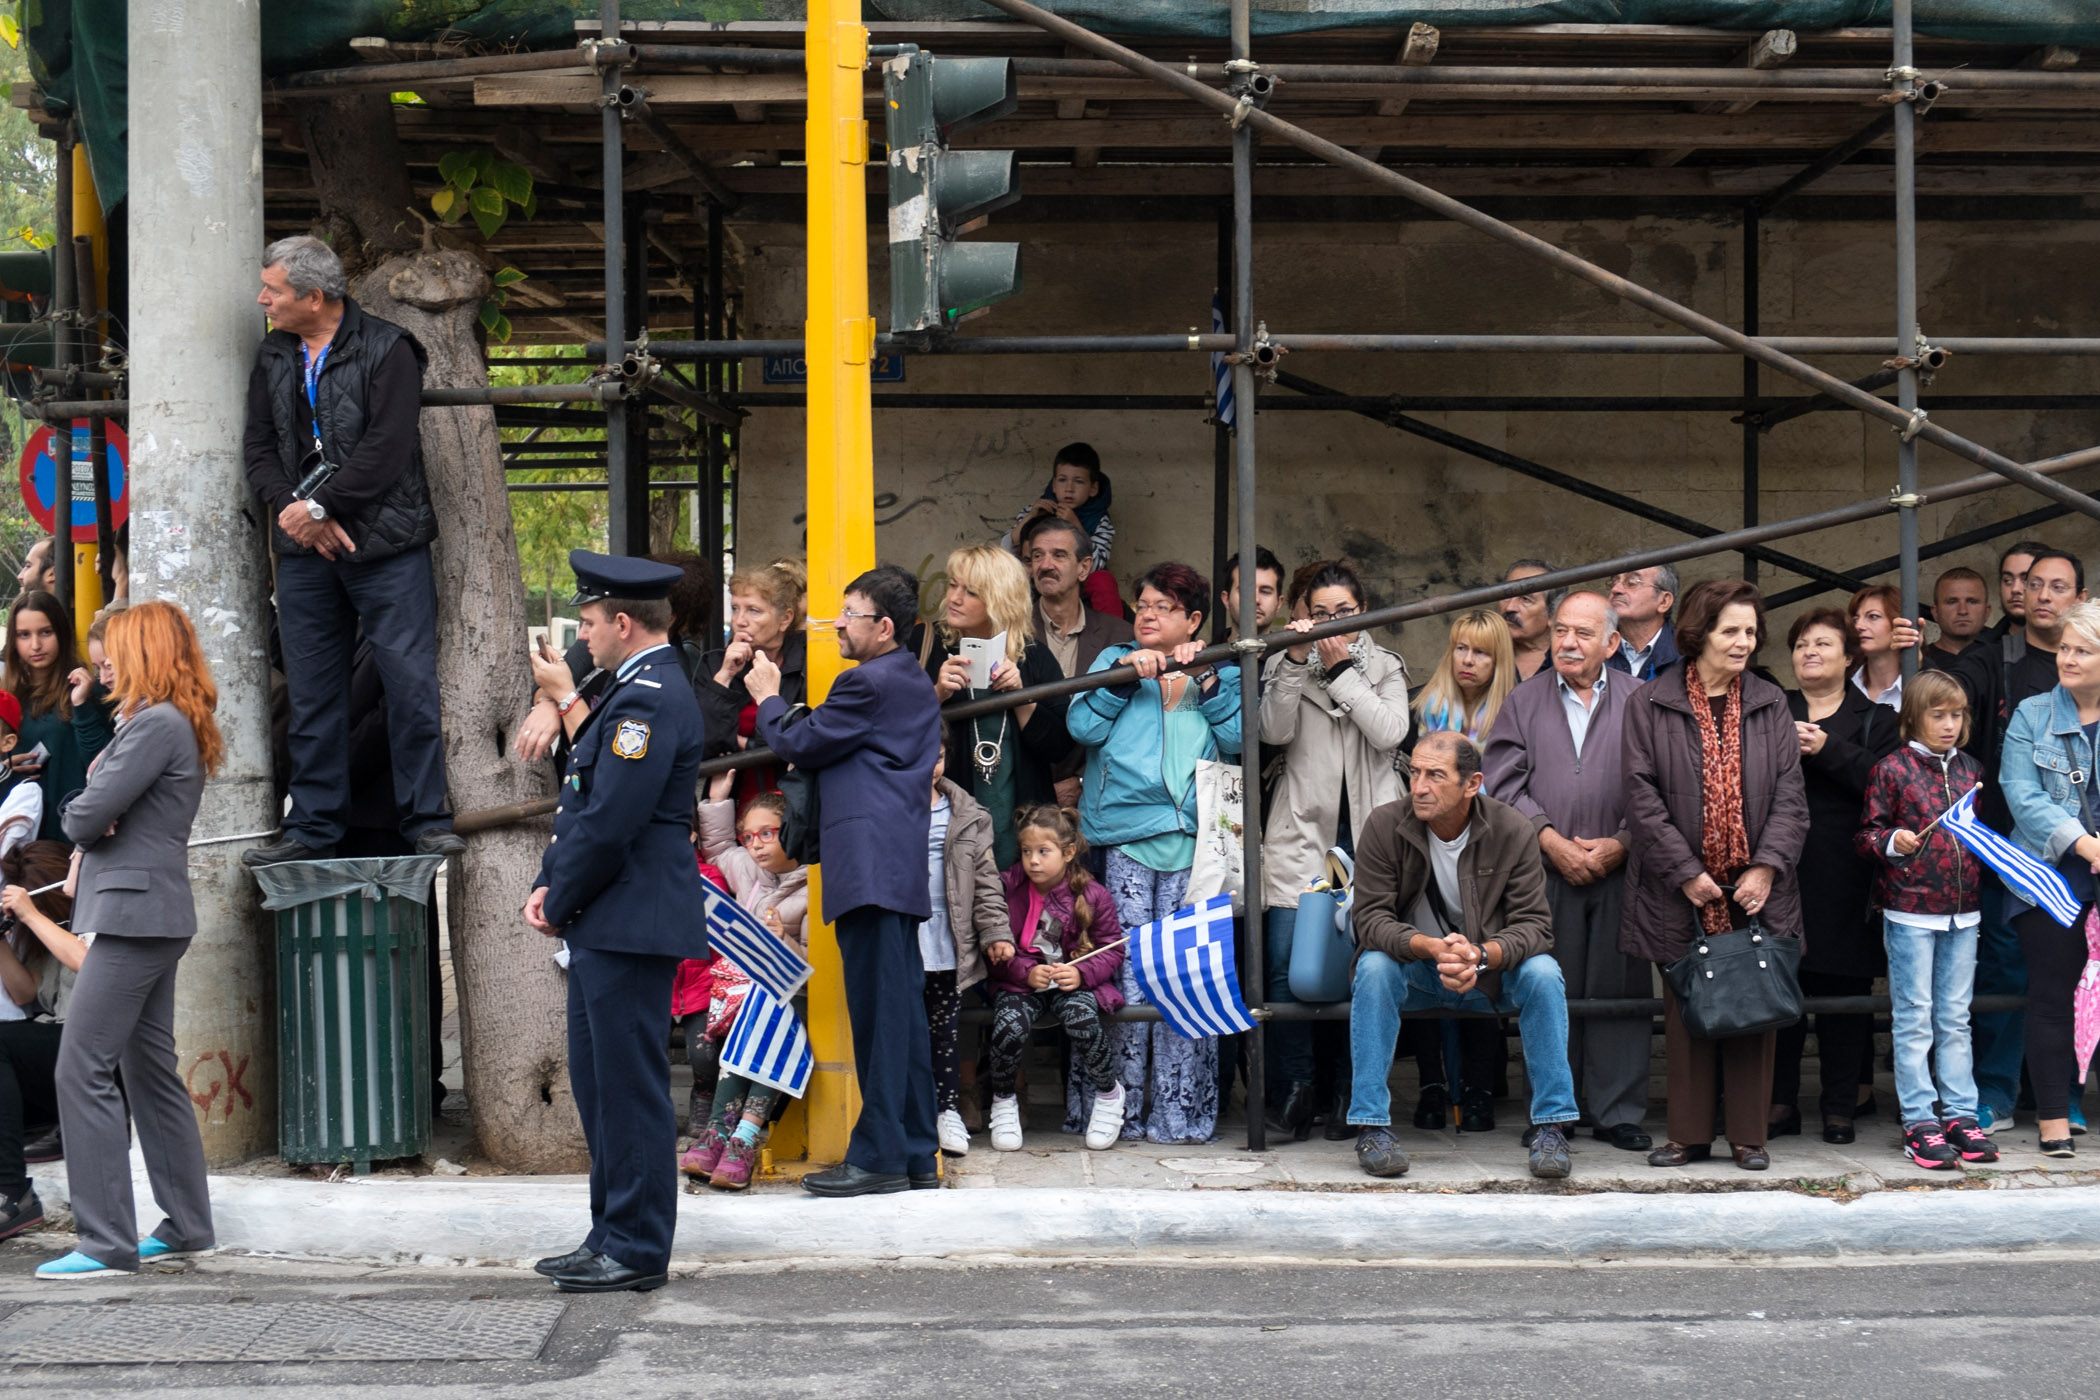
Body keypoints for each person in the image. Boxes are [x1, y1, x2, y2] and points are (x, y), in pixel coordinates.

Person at [240, 234, 462, 867]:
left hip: (388, 549)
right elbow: (258, 446)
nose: (262, 300)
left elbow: (387, 449)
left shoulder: (389, 348)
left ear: (314, 297)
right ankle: (312, 826)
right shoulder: (274, 354)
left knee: (409, 686)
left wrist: (320, 508)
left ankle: (426, 819)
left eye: (273, 291)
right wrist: (296, 512)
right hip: (305, 552)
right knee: (313, 694)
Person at [524, 553, 709, 1292]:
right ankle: (609, 1232)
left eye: (591, 623)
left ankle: (636, 1247)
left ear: (624, 623)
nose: (585, 636)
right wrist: (550, 882)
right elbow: (585, 799)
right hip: (609, 915)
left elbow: (611, 821)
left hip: (631, 917)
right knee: (601, 1087)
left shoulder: (649, 698)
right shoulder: (629, 689)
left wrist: (558, 896)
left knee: (629, 1090)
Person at [38, 601, 221, 1280]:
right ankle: (186, 1225)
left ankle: (104, 1241)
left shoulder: (153, 726)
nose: (104, 663)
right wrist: (96, 812)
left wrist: (87, 812)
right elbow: (98, 814)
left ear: (146, 651)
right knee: (147, 1072)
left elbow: (84, 818)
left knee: (80, 1066)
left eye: (115, 649)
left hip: (133, 917)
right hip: (147, 914)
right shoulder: (159, 722)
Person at [750, 564, 944, 1196]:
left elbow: (802, 742)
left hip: (869, 866)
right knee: (899, 1015)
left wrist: (769, 698)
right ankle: (914, 1152)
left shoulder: (865, 682)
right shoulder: (908, 677)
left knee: (881, 1017)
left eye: (850, 614)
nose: (836, 623)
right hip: (891, 865)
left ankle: (880, 1156)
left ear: (883, 627)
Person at [1621, 578, 1808, 1172]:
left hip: (1754, 890)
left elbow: (1790, 798)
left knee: (1756, 1005)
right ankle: (1688, 1136)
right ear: (1699, 632)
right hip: (1679, 890)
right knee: (1687, 1012)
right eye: (1731, 630)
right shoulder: (1649, 703)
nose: (1743, 642)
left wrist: (1765, 868)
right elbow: (1640, 797)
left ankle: (1749, 1138)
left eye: (1750, 631)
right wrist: (1685, 873)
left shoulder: (1770, 701)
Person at [1346, 731, 1578, 1179]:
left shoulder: (1512, 828)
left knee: (1543, 973)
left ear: (1472, 784)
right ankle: (1370, 1125)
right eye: (1414, 773)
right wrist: (1430, 947)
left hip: (1488, 974)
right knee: (1373, 967)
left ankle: (1552, 1125)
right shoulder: (1384, 824)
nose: (1419, 787)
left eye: (1435, 775)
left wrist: (1481, 955)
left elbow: (1535, 926)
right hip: (1419, 970)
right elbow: (1369, 920)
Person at [1066, 562, 1242, 1145]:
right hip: (1124, 838)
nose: (1146, 614)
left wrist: (1206, 678)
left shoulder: (1218, 665)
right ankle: (1114, 1110)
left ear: (1193, 620)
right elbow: (1081, 728)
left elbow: (1241, 738)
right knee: (1124, 976)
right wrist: (1121, 680)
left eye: (1163, 607)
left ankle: (1177, 1115)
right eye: (1142, 604)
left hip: (1197, 844)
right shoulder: (1113, 659)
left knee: (1185, 976)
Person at [1483, 590, 1654, 1153]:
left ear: (1611, 642)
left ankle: (1616, 1111)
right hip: (1544, 871)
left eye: (1583, 633)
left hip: (1622, 868)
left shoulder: (1641, 698)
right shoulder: (1523, 700)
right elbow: (1503, 784)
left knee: (1618, 987)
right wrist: (1550, 840)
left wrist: (1622, 843)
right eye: (1561, 630)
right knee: (1545, 988)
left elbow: (1659, 783)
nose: (1569, 642)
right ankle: (1551, 1111)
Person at [1259, 560, 1409, 1140]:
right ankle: (1295, 1088)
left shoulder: (1386, 665)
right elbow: (1272, 731)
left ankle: (1352, 1090)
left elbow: (1390, 731)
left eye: (1343, 612)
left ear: (1361, 611)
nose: (1332, 622)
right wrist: (1296, 660)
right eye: (1320, 614)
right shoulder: (1284, 661)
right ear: (1304, 616)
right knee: (1283, 965)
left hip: (1371, 833)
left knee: (1364, 967)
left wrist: (1341, 667)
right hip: (1301, 829)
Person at [1949, 546, 2086, 1128]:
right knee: (2004, 970)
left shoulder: (2089, 670)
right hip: (2008, 852)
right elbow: (1944, 699)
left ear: (2080, 599)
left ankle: (2064, 1095)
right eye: (2034, 584)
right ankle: (1997, 1092)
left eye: (2058, 586)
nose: (2043, 595)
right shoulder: (1993, 660)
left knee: (2077, 977)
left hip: (2084, 858)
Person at [1857, 670, 1994, 1169]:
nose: (1949, 724)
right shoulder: (1891, 770)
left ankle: (1960, 1114)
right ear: (1914, 717)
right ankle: (1919, 1119)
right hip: (1910, 911)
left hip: (1964, 911)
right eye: (1938, 715)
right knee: (1915, 1018)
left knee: (1955, 1018)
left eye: (1956, 715)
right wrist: (1892, 841)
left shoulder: (1971, 770)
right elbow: (1866, 836)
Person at [1774, 608, 1900, 1144]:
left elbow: (1891, 783)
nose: (1810, 652)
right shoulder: (1772, 709)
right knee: (1778, 989)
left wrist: (1829, 749)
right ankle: (1778, 1102)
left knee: (1845, 995)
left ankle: (1841, 1106)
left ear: (1849, 657)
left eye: (1823, 643)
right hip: (1781, 871)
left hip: (1848, 875)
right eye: (1802, 643)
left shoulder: (1877, 719)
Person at [1999, 597, 2100, 1159]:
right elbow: (2022, 796)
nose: (2068, 659)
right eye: (2065, 648)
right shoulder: (2032, 713)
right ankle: (2053, 1117)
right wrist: (2086, 845)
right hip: (2048, 873)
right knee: (2052, 995)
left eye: (2083, 650)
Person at [680, 775, 808, 1191]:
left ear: (792, 830)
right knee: (752, 1018)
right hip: (748, 997)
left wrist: (785, 940)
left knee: (764, 1021)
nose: (756, 845)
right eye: (748, 837)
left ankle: (744, 1136)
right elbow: (719, 848)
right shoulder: (749, 872)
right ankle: (720, 1133)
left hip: (797, 1001)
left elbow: (817, 968)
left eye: (767, 833)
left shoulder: (815, 883)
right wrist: (717, 801)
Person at [986, 804, 1127, 1151]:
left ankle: (1109, 1095)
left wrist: (1079, 973)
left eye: (1043, 852)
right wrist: (1025, 972)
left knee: (1081, 1019)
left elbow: (1112, 949)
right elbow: (992, 950)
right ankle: (1003, 1101)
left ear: (1068, 852)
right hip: (1021, 984)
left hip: (1071, 984)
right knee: (1008, 1026)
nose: (1033, 861)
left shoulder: (1093, 895)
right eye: (1026, 851)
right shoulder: (1006, 888)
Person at [924, 545, 1073, 869]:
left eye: (970, 592)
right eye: (952, 585)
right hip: (946, 829)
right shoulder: (927, 647)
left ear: (999, 600)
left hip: (1023, 835)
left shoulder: (1033, 656)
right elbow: (896, 729)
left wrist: (1021, 696)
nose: (954, 598)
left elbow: (1061, 747)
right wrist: (936, 694)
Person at [519, 552, 717, 770]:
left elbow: (606, 761)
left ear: (668, 617)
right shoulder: (598, 642)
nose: (583, 634)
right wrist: (548, 702)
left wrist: (565, 698)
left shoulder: (659, 682)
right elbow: (549, 681)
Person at [923, 745, 1008, 1157]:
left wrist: (995, 932)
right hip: (902, 938)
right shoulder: (887, 804)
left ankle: (947, 1111)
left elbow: (986, 880)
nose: (931, 765)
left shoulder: (969, 814)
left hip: (948, 939)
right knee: (904, 1030)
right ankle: (915, 1113)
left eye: (939, 755)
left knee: (945, 1032)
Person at [1020, 516, 1132, 808]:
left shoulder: (1119, 635)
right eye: (1037, 556)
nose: (1045, 565)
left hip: (1096, 794)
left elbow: (1129, 725)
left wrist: (1082, 779)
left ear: (1084, 568)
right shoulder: (1010, 634)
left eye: (1059, 555)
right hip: (1024, 793)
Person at [0, 841, 79, 1240]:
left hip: (97, 1050)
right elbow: (25, 994)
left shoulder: (93, 919)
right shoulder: (42, 931)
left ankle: (12, 1193)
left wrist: (32, 915)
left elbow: (88, 965)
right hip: (56, 1048)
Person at [694, 558, 809, 807]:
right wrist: (724, 677)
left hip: (794, 801)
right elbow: (702, 744)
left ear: (785, 619)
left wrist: (743, 743)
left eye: (754, 610)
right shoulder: (714, 664)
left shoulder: (808, 664)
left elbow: (802, 738)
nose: (740, 620)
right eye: (736, 608)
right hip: (731, 800)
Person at [4, 592, 108, 844]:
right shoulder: (6, 697)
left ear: (61, 632)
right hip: (19, 837)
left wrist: (81, 707)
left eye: (46, 632)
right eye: (24, 635)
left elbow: (105, 765)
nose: (35, 645)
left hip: (75, 834)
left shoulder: (89, 690)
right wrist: (4, 770)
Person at [1000, 443, 1121, 616]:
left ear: (1093, 488)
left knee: (1103, 581)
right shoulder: (1038, 509)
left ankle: (1112, 632)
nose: (1069, 489)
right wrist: (1030, 517)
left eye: (1078, 481)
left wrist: (1076, 526)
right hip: (1039, 576)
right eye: (1062, 480)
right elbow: (1006, 550)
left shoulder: (1099, 519)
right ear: (1054, 485)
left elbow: (1096, 564)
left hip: (1079, 582)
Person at [1411, 608, 1517, 746]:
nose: (1467, 660)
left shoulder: (1514, 712)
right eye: (1461, 648)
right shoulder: (1433, 704)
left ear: (1498, 661)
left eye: (1480, 652)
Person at [1847, 585, 1921, 709]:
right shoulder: (1843, 687)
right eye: (1855, 619)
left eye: (1873, 616)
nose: (1858, 626)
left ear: (1900, 623)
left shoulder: (1924, 689)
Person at [1607, 565, 1681, 683]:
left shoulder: (1686, 655)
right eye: (1615, 581)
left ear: (1664, 601)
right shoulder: (1596, 648)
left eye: (1632, 582)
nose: (1616, 589)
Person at [1500, 560, 1557, 682]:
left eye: (1526, 599)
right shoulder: (1482, 655)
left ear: (1552, 614)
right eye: (1506, 595)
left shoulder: (1569, 662)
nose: (1510, 607)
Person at [1982, 540, 2046, 644]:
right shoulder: (1982, 650)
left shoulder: (2072, 644)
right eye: (2007, 580)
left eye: (2026, 580)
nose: (2015, 589)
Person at [1925, 566, 1990, 665]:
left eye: (1972, 602)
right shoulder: (1918, 662)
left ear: (1986, 612)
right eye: (1952, 602)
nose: (1962, 611)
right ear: (1936, 612)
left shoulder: (2002, 661)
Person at [1220, 546, 1285, 640]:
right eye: (1245, 591)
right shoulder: (1208, 649)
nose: (1256, 600)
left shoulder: (1290, 649)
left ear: (1279, 603)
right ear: (1226, 599)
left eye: (1265, 592)